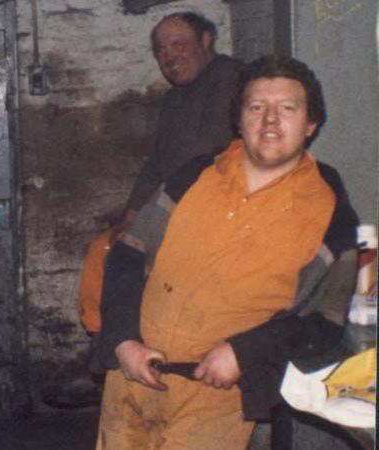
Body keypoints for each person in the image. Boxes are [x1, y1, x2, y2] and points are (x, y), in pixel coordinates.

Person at [93, 55, 359, 449]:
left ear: (310, 125)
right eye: (256, 107)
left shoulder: (330, 215)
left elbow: (325, 322)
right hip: (133, 376)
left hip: (218, 399)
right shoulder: (193, 176)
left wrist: (245, 352)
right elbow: (127, 254)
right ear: (239, 121)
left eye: (287, 108)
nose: (270, 121)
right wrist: (122, 340)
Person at [76, 11, 243, 337]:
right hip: (174, 208)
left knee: (123, 258)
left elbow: (198, 158)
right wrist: (133, 212)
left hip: (212, 213)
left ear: (206, 41)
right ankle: (110, 340)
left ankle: (117, 342)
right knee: (106, 248)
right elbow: (158, 163)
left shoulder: (231, 81)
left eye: (179, 45)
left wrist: (150, 221)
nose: (169, 57)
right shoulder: (174, 99)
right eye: (161, 51)